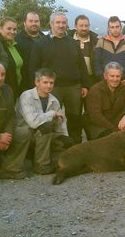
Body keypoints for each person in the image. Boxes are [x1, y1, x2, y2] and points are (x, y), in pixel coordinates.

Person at [30, 12, 90, 145]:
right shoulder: (41, 43)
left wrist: (85, 85)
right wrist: (37, 87)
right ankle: (53, 147)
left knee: (75, 117)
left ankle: (75, 145)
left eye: (63, 23)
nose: (61, 25)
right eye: (58, 22)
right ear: (51, 24)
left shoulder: (73, 43)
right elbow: (34, 67)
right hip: (51, 88)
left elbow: (81, 66)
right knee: (51, 118)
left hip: (73, 87)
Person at [1, 68, 67, 176]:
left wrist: (63, 137)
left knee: (65, 141)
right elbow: (33, 122)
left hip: (40, 134)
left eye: (51, 83)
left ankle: (41, 162)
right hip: (24, 132)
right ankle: (33, 165)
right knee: (45, 127)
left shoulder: (54, 100)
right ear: (36, 82)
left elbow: (61, 123)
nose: (49, 86)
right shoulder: (26, 96)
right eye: (45, 82)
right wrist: (52, 114)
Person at [84, 62, 125, 139]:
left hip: (115, 120)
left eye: (118, 76)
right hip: (99, 125)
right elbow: (96, 117)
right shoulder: (95, 90)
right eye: (112, 76)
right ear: (105, 76)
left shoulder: (123, 87)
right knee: (109, 138)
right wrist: (115, 130)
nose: (115, 79)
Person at [93, 16, 125, 86]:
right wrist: (101, 78)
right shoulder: (101, 42)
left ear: (121, 27)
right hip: (105, 81)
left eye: (117, 27)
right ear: (108, 28)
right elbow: (96, 62)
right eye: (112, 27)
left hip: (124, 81)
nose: (115, 29)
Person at [0, 17, 25, 100]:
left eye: (14, 29)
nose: (12, 32)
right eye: (9, 29)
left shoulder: (15, 44)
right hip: (3, 91)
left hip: (15, 89)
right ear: (0, 29)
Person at [15, 12, 46, 93]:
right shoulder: (17, 40)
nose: (34, 24)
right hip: (23, 86)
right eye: (31, 21)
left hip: (43, 85)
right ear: (24, 23)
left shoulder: (45, 39)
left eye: (36, 21)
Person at [69, 14, 100, 87]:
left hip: (91, 79)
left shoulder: (96, 41)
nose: (84, 28)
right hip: (72, 81)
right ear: (75, 26)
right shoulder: (68, 40)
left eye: (86, 26)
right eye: (81, 25)